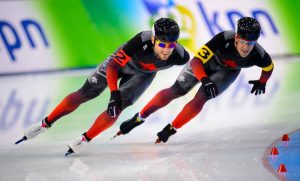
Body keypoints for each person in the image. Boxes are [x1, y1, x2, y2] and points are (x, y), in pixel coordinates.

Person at [15, 18, 190, 155]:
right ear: (153, 39)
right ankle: (45, 123)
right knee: (87, 92)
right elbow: (113, 66)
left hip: (143, 75)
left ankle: (84, 140)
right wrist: (113, 92)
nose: (167, 50)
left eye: (171, 45)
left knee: (117, 108)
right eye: (162, 44)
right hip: (120, 64)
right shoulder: (140, 41)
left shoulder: (181, 56)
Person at [117, 17, 274, 143]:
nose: (246, 48)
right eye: (244, 42)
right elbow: (197, 61)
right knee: (177, 90)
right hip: (205, 64)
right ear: (236, 37)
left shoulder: (259, 54)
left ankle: (171, 129)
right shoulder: (224, 38)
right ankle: (140, 117)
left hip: (228, 72)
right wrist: (204, 79)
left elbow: (268, 67)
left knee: (202, 97)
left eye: (251, 43)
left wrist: (262, 81)